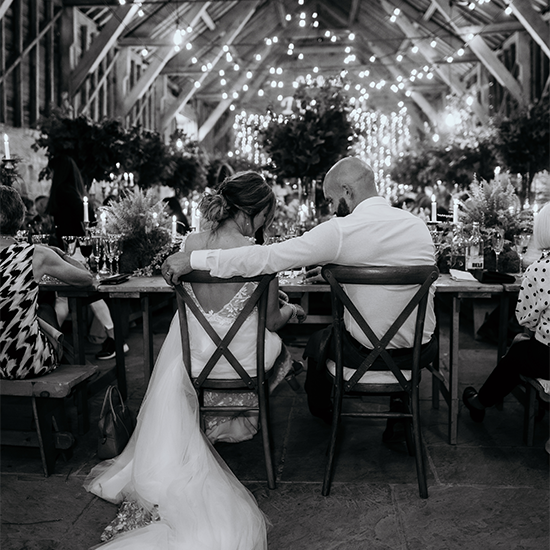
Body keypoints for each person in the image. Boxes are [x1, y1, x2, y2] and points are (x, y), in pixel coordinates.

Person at [84, 171, 305, 549]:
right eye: (265, 216)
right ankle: (244, 415)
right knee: (278, 348)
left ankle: (223, 420)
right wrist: (292, 311)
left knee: (247, 343)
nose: (265, 224)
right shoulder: (259, 255)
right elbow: (270, 320)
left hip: (196, 358)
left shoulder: (190, 245)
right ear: (251, 213)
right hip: (243, 361)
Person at [162, 157, 438, 431]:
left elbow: (267, 259)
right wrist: (336, 275)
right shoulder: (417, 226)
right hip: (419, 352)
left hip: (362, 354)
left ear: (347, 190)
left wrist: (195, 259)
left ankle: (322, 410)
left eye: (331, 200)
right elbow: (386, 264)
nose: (332, 209)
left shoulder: (341, 231)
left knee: (318, 341)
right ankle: (400, 407)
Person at [463, 202, 550, 423]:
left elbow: (525, 319)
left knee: (518, 352)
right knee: (523, 350)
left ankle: (480, 402)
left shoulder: (540, 269)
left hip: (547, 357)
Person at [0, 186, 96, 379]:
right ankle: (79, 375)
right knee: (45, 310)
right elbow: (87, 279)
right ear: (20, 216)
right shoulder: (35, 254)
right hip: (23, 363)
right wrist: (60, 254)